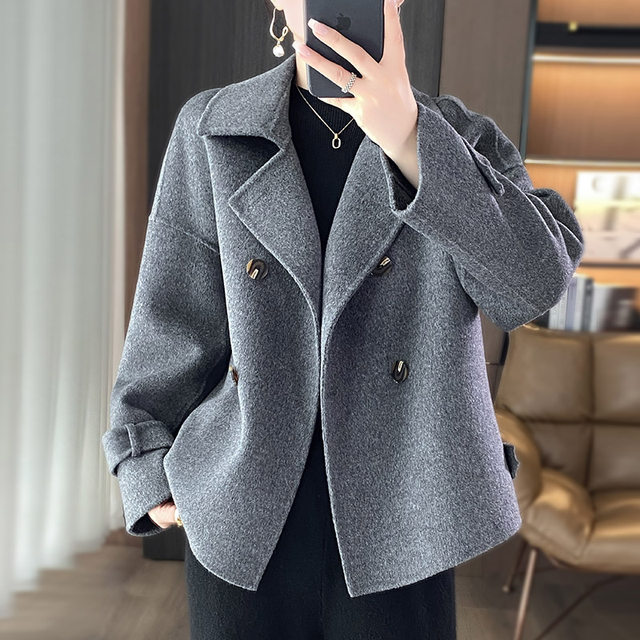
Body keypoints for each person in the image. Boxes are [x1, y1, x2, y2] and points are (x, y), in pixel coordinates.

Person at [102, 0, 584, 638]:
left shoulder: (463, 140)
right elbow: (170, 317)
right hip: (242, 519)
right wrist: (144, 461)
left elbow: (531, 288)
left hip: (406, 523)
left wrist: (411, 139)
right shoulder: (214, 129)